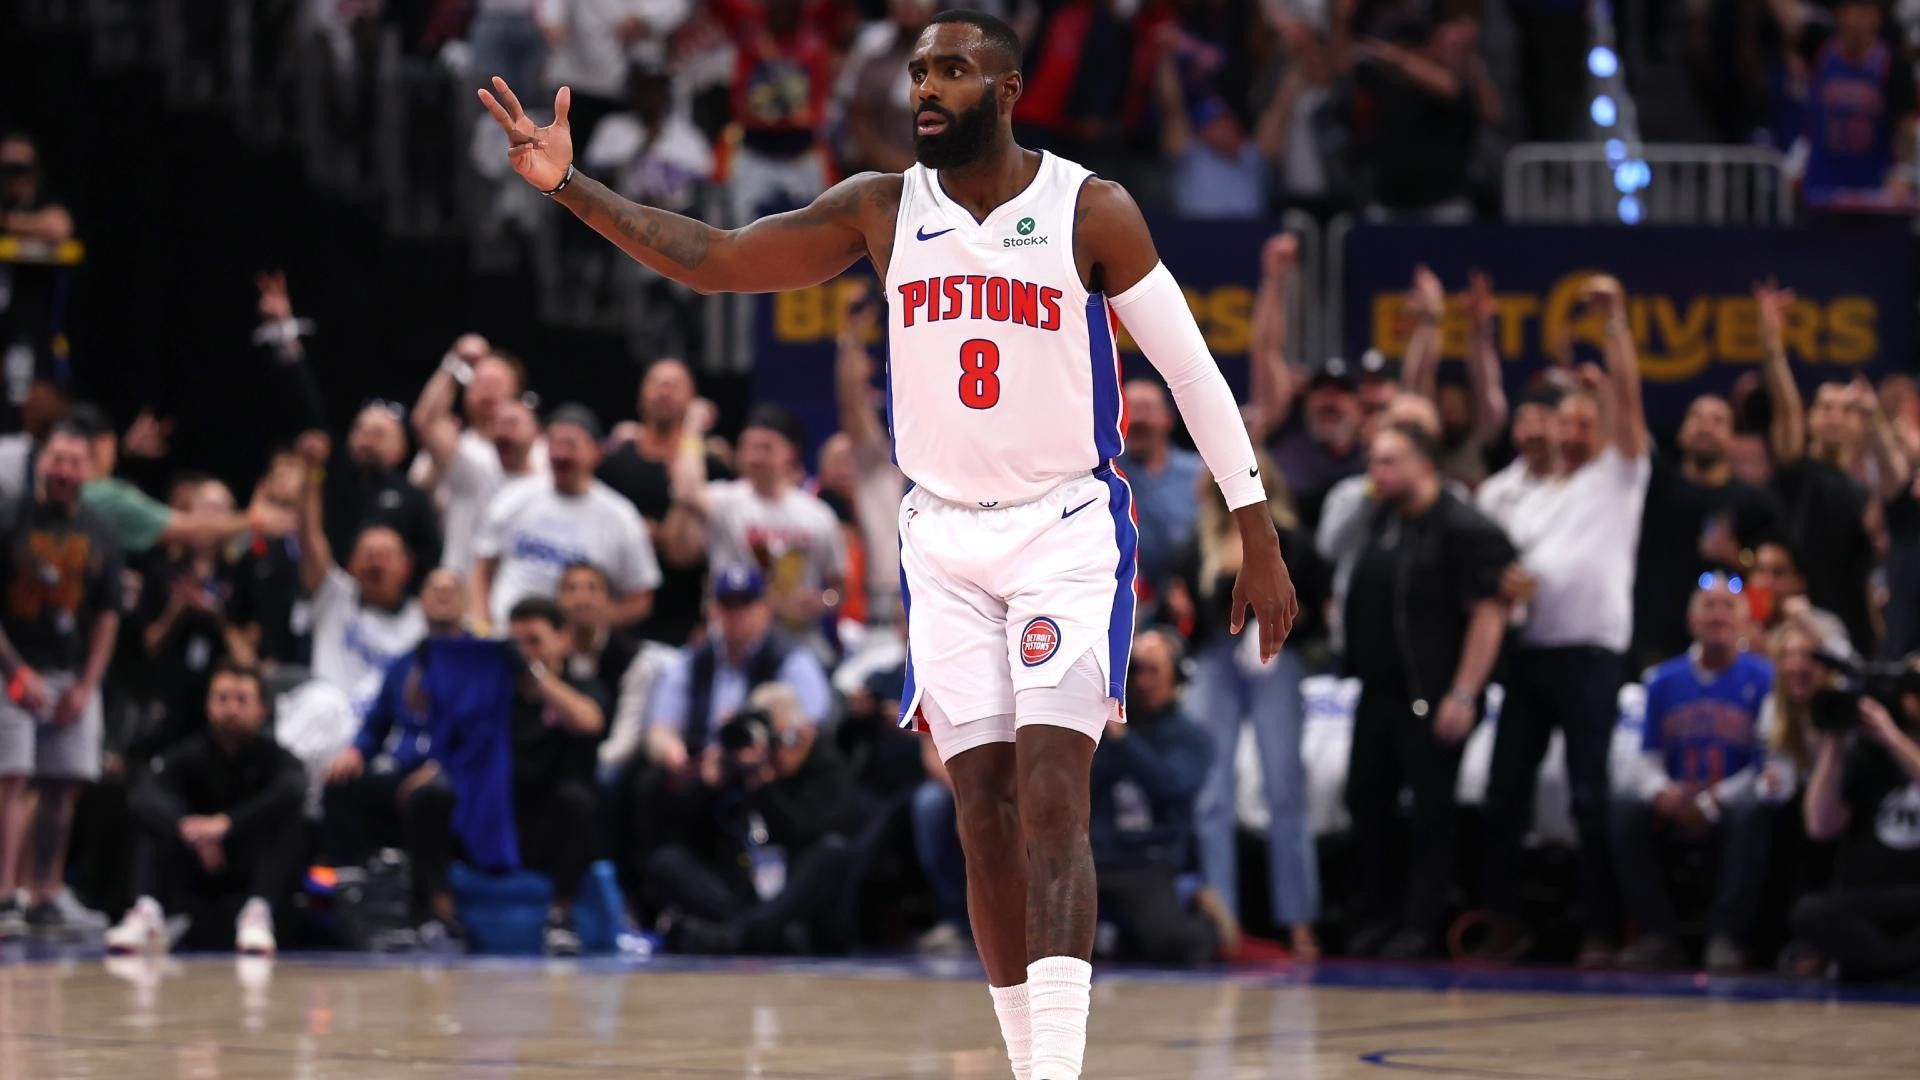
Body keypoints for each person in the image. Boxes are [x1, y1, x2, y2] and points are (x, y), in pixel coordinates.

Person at [477, 10, 1299, 1070]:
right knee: (981, 816)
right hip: (942, 538)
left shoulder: (1090, 208)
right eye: (918, 70)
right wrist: (569, 186)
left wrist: (1255, 527)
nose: (926, 88)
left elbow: (1189, 371)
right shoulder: (881, 207)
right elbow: (716, 259)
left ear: (1006, 90)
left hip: (1062, 528)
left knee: (1055, 796)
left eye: (952, 70)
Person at [1481, 275, 1651, 966]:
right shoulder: (1529, 494)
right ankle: (1505, 921)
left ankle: (1605, 927)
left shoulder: (1620, 475)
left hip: (1590, 656)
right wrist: (1510, 582)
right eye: (1567, 422)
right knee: (1503, 793)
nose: (1576, 432)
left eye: (1587, 422)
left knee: (1588, 794)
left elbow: (1630, 401)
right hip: (1531, 655)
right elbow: (1505, 569)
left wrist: (1615, 325)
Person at [1342, 421, 1513, 959]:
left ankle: (1421, 923)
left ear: (1424, 463)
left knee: (1431, 813)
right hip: (1379, 692)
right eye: (1373, 462)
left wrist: (1464, 693)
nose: (1376, 473)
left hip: (1433, 693)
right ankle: (1378, 916)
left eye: (1389, 462)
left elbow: (1489, 613)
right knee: (1367, 802)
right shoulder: (1381, 519)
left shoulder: (1465, 528)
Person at [1181, 448, 1326, 961]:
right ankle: (1224, 920)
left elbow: (1317, 604)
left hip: (1275, 652)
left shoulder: (1292, 540)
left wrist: (1286, 623)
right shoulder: (1198, 542)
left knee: (1284, 787)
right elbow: (1189, 615)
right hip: (1216, 658)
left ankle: (1299, 919)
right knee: (1211, 794)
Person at [409, 597, 611, 954]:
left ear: (563, 640)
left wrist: (533, 673)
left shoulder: (583, 687)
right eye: (517, 643)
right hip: (486, 819)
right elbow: (420, 704)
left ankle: (560, 919)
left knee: (577, 801)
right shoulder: (494, 693)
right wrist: (424, 667)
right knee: (427, 798)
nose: (524, 650)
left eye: (534, 641)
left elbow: (589, 721)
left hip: (544, 831)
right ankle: (442, 917)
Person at [1612, 575, 1784, 972]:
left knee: (1756, 808)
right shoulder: (1662, 679)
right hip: (1679, 796)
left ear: (1744, 621)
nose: (1718, 615)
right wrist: (1661, 792)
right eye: (1709, 605)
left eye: (1728, 606)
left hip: (1732, 798)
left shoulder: (1765, 678)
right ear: (1691, 620)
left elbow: (1765, 763)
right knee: (1623, 806)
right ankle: (1657, 934)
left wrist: (1711, 802)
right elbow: (1646, 755)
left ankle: (1727, 936)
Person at [0, 425, 124, 940]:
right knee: (11, 778)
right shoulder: (10, 517)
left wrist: (87, 684)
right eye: (57, 459)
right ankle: (5, 896)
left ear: (88, 471)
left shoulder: (100, 532)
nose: (64, 470)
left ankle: (44, 894)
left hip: (71, 675)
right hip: (11, 667)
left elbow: (108, 615)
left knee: (62, 784)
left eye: (75, 461)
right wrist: (16, 672)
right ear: (41, 463)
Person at [646, 682, 864, 955]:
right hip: (745, 896)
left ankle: (737, 937)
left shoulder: (827, 769)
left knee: (832, 852)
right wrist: (708, 787)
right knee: (667, 861)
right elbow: (691, 839)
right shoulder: (739, 769)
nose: (770, 750)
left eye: (778, 739)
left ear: (804, 734)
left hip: (797, 902)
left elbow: (802, 832)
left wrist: (765, 785)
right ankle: (749, 933)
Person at [105, 661, 307, 956]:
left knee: (289, 816)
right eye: (222, 698)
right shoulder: (189, 754)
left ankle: (258, 912)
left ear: (262, 709)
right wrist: (186, 827)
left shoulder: (278, 759)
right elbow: (144, 795)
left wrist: (228, 824)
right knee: (149, 814)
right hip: (195, 864)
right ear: (208, 706)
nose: (231, 709)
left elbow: (294, 789)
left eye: (242, 700)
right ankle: (146, 911)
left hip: (251, 865)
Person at [1757, 279, 1906, 654]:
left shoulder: (1866, 488)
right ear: (1811, 419)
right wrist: (1772, 343)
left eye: (1846, 410)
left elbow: (1881, 527)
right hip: (1800, 624)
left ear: (1860, 423)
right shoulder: (1799, 470)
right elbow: (1785, 404)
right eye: (1825, 407)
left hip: (1854, 624)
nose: (1835, 417)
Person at [320, 569, 470, 873]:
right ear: (421, 602)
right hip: (404, 764)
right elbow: (376, 723)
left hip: (454, 772)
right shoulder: (404, 663)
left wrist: (440, 767)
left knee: (429, 796)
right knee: (340, 784)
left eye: (450, 589)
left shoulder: (480, 662)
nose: (441, 594)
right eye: (434, 589)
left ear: (465, 603)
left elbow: (482, 732)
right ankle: (352, 878)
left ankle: (432, 890)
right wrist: (355, 751)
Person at [473, 403, 661, 631]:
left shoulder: (621, 516)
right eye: (554, 443)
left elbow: (640, 599)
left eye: (571, 445)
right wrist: (482, 626)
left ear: (596, 452)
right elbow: (482, 569)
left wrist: (591, 625)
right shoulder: (514, 497)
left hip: (575, 644)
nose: (560, 454)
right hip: (505, 635)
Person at [1089, 630, 1217, 965]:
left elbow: (1171, 785)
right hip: (1097, 856)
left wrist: (1124, 741)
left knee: (1176, 944)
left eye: (1153, 670)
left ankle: (1200, 911)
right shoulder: (1101, 729)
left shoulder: (1191, 737)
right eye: (1137, 670)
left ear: (1177, 676)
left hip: (1149, 861)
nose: (1143, 681)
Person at [661, 403, 845, 636]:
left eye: (765, 447)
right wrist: (693, 427)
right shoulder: (725, 500)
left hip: (798, 640)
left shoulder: (818, 514)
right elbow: (687, 490)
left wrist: (823, 601)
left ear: (790, 452)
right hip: (731, 639)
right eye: (748, 447)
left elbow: (839, 587)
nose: (754, 457)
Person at [1632, 393, 1780, 669]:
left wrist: (1738, 557)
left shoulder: (1755, 503)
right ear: (1682, 432)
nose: (1706, 427)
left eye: (1717, 420)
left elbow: (1771, 575)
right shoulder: (1652, 486)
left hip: (1724, 644)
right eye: (1697, 418)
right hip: (1653, 639)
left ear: (1732, 437)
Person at [1794, 664, 1920, 983]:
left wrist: (1893, 738)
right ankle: (1901, 970)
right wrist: (1833, 747)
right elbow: (1819, 827)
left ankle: (1883, 967)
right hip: (1869, 899)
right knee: (1811, 912)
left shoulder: (1893, 744)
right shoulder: (1864, 756)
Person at [644, 566, 833, 768]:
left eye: (745, 603)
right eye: (728, 604)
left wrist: (769, 750)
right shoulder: (693, 660)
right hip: (702, 770)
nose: (736, 614)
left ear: (765, 608)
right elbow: (660, 729)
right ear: (713, 610)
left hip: (771, 771)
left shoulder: (792, 661)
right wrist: (674, 754)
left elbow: (810, 729)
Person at [295, 432, 427, 717]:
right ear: (351, 564)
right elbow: (308, 536)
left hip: (388, 731)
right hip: (328, 723)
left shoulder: (423, 622)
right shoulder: (333, 594)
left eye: (386, 556)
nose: (375, 563)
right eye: (368, 555)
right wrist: (311, 474)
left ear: (406, 567)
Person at [409, 336, 547, 573]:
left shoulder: (543, 452)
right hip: (461, 573)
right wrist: (453, 363)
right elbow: (425, 422)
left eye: (496, 383)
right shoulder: (461, 451)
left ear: (516, 393)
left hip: (519, 576)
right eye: (480, 381)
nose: (487, 389)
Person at [324, 402, 443, 578]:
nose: (367, 440)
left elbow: (429, 554)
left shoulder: (413, 496)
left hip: (395, 591)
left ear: (401, 447)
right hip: (330, 585)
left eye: (378, 434)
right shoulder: (327, 483)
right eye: (361, 430)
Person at [1117, 379, 1203, 600]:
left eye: (1146, 408)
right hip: (1128, 591)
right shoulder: (1108, 475)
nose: (1138, 419)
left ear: (1168, 418)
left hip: (1194, 590)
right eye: (1130, 410)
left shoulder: (1199, 473)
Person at [558, 561, 641, 691]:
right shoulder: (548, 654)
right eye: (572, 588)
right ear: (558, 599)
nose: (582, 599)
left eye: (592, 588)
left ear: (607, 598)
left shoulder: (631, 656)